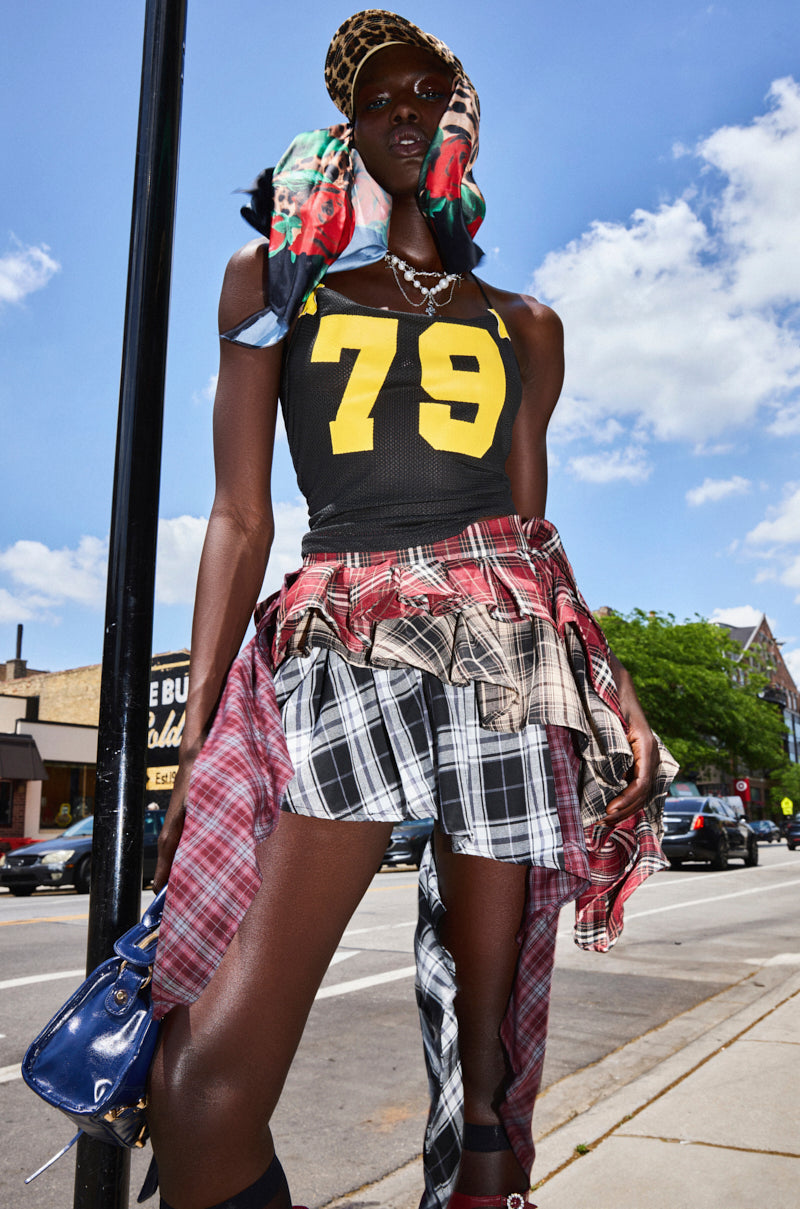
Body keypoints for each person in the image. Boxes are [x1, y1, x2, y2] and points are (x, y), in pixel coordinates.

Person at [148, 11, 676, 1209]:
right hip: (345, 644)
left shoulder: (524, 326)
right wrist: (192, 752)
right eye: (373, 95)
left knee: (482, 1076)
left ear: (462, 119)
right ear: (344, 128)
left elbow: (531, 542)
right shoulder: (278, 287)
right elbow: (241, 517)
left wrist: (620, 697)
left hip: (503, 657)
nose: (400, 108)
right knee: (202, 1087)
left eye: (424, 89)